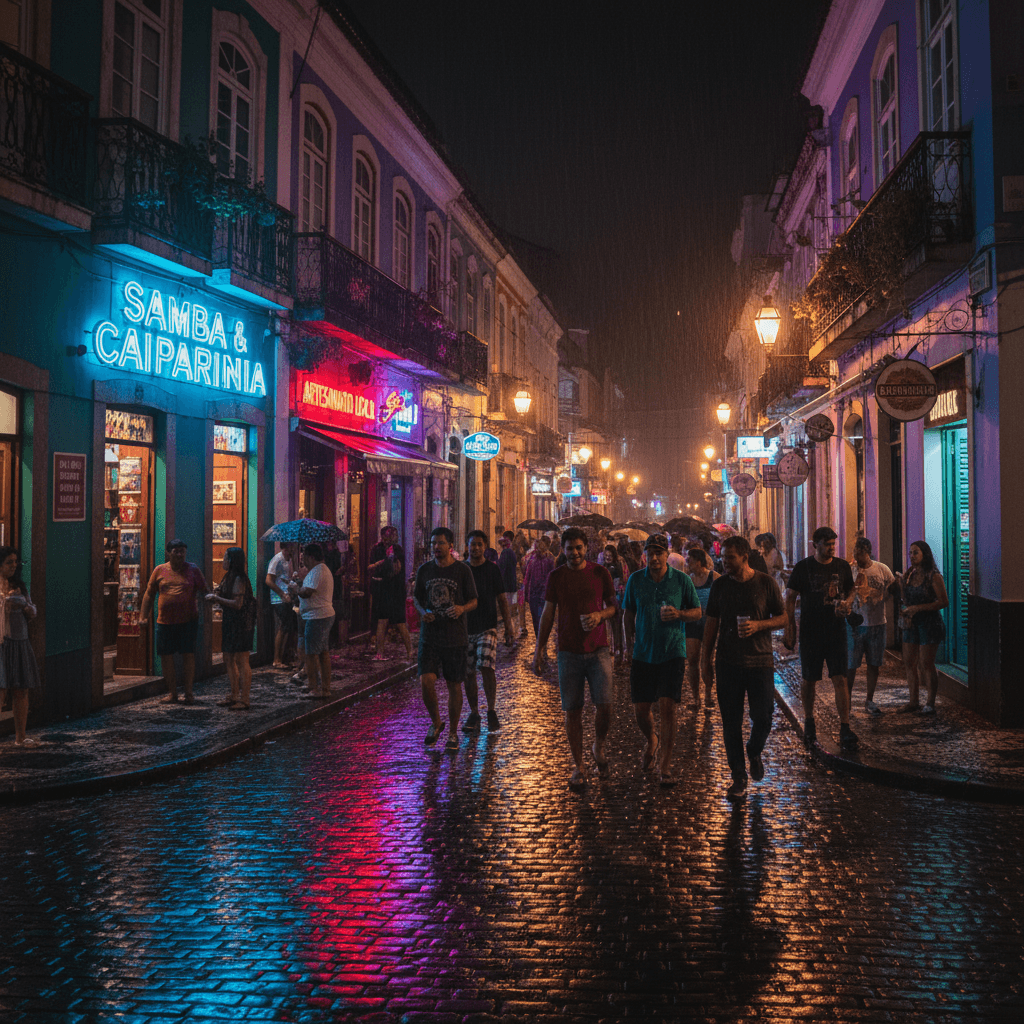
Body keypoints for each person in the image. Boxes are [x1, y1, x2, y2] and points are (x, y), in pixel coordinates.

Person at [701, 536, 787, 799]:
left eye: (730, 558)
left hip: (760, 662)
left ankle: (754, 749)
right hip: (728, 663)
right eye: (723, 557)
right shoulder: (720, 586)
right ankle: (738, 775)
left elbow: (782, 618)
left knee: (763, 717)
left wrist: (758, 626)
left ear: (744, 557)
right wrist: (705, 659)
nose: (724, 562)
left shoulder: (765, 583)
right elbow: (712, 623)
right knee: (731, 723)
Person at [532, 527, 617, 792]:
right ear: (564, 550)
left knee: (605, 706)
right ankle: (578, 766)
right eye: (570, 549)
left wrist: (599, 616)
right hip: (568, 651)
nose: (575, 553)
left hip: (598, 649)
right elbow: (548, 613)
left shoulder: (599, 573)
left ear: (586, 548)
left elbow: (614, 606)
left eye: (579, 548)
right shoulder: (556, 577)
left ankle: (598, 745)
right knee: (573, 711)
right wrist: (539, 649)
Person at [622, 534, 701, 786]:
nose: (654, 558)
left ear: (667, 555)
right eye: (650, 553)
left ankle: (665, 765)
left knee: (668, 707)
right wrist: (627, 645)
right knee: (641, 710)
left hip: (672, 652)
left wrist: (679, 613)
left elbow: (697, 611)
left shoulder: (681, 581)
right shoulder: (636, 580)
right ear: (644, 555)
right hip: (643, 653)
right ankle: (651, 739)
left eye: (659, 552)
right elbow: (627, 614)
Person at [784, 526, 857, 750]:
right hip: (811, 632)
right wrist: (790, 628)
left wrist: (848, 602)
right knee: (809, 679)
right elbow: (790, 597)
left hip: (836, 631)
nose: (831, 548)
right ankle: (809, 720)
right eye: (827, 545)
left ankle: (845, 726)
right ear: (815, 545)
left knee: (840, 678)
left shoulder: (842, 566)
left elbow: (851, 589)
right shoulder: (803, 568)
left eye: (834, 544)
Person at [413, 527, 478, 750]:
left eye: (440, 543)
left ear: (450, 546)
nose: (436, 548)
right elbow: (417, 598)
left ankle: (452, 733)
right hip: (430, 636)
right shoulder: (425, 571)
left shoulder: (462, 570)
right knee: (426, 681)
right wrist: (423, 613)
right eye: (433, 543)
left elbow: (473, 600)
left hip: (455, 637)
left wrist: (461, 609)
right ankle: (436, 722)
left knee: (454, 685)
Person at [140, 539, 208, 704]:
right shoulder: (159, 570)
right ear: (168, 553)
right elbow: (149, 594)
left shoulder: (193, 570)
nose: (179, 555)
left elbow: (205, 592)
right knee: (166, 656)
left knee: (188, 655)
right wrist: (143, 616)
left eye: (182, 551)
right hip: (165, 622)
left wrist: (204, 614)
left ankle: (189, 693)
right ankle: (172, 693)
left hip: (188, 621)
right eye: (176, 551)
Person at [463, 530, 514, 732]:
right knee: (468, 672)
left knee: (486, 666)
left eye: (479, 544)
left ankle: (491, 709)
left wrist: (509, 627)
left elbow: (502, 598)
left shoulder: (492, 570)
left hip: (487, 626)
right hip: (465, 628)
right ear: (467, 546)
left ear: (485, 547)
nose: (475, 548)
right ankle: (474, 712)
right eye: (472, 544)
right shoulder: (461, 569)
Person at [840, 537, 895, 716]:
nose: (857, 556)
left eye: (860, 553)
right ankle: (847, 702)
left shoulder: (882, 569)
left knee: (874, 663)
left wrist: (882, 597)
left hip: (877, 623)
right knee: (851, 665)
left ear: (868, 552)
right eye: (855, 552)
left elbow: (892, 588)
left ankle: (869, 699)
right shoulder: (850, 570)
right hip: (855, 624)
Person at [897, 540, 948, 714]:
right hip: (912, 623)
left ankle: (930, 703)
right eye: (910, 553)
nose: (912, 556)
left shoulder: (933, 576)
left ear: (925, 554)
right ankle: (913, 701)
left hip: (929, 623)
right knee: (909, 662)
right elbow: (906, 599)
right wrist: (901, 586)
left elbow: (943, 601)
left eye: (915, 552)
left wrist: (918, 608)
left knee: (926, 664)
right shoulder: (910, 574)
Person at [0, 546, 40, 746]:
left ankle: (20, 737)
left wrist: (24, 606)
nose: (14, 566)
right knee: (1, 689)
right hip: (2, 643)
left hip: (20, 641)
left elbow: (33, 612)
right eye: (9, 562)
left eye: (16, 562)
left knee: (21, 690)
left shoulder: (20, 587)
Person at [206, 547, 255, 709]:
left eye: (225, 558)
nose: (223, 561)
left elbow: (237, 603)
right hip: (230, 621)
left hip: (240, 623)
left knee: (242, 660)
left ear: (232, 560)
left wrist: (216, 598)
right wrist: (218, 592)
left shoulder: (240, 579)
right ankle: (234, 694)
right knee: (228, 658)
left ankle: (244, 699)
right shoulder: (229, 577)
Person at [289, 543, 335, 700]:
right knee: (322, 652)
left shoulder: (318, 571)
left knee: (312, 654)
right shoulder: (318, 570)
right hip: (319, 615)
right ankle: (323, 687)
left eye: (304, 558)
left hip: (317, 616)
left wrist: (296, 589)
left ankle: (316, 688)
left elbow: (307, 592)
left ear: (311, 557)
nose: (303, 562)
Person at [369, 526, 413, 661]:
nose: (395, 537)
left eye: (395, 535)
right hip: (382, 589)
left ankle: (410, 651)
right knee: (381, 621)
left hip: (396, 589)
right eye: (392, 535)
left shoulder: (397, 549)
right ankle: (379, 652)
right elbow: (371, 567)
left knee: (400, 622)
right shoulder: (377, 549)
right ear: (384, 536)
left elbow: (398, 568)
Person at [684, 547, 719, 710]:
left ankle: (708, 695)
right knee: (692, 660)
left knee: (707, 661)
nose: (687, 563)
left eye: (689, 560)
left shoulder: (714, 578)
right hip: (692, 623)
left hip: (709, 623)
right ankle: (696, 698)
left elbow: (723, 599)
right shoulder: (688, 580)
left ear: (698, 562)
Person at [265, 542, 298, 669]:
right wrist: (282, 594)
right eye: (292, 549)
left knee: (289, 627)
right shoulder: (277, 560)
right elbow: (269, 580)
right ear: (286, 548)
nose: (293, 552)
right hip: (279, 599)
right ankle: (277, 660)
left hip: (287, 598)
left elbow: (282, 578)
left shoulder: (286, 560)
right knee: (284, 627)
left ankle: (285, 657)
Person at [522, 536, 556, 656]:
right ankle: (540, 644)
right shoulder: (532, 560)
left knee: (541, 620)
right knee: (537, 620)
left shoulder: (549, 560)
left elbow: (552, 576)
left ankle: (542, 645)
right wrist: (526, 593)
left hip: (542, 594)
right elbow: (527, 577)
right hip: (535, 595)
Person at [602, 544, 627, 666]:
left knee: (616, 625)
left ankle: (618, 650)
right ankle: (612, 648)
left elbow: (620, 581)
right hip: (606, 598)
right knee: (609, 625)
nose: (607, 557)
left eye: (609, 555)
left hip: (616, 598)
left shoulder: (617, 566)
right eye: (606, 555)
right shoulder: (604, 566)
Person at [497, 536, 518, 628]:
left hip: (506, 579)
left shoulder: (506, 552)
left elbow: (503, 567)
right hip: (512, 578)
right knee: (511, 598)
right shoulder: (511, 552)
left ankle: (509, 618)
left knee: (507, 599)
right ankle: (512, 613)